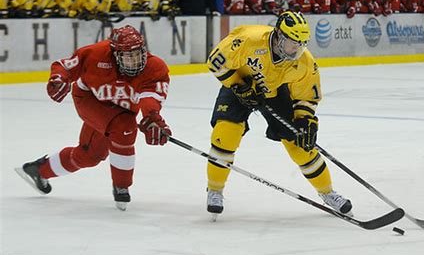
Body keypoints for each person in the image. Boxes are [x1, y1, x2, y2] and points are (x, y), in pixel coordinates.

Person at [205, 11, 352, 219]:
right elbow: (215, 61)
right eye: (293, 43)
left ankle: (328, 193)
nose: (298, 49)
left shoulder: (304, 61)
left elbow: (307, 96)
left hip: (275, 92)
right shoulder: (249, 39)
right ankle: (215, 189)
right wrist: (239, 86)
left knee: (300, 146)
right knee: (225, 134)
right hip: (240, 83)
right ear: (279, 37)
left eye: (302, 44)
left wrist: (305, 121)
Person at [15, 25, 172, 211]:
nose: (134, 61)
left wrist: (152, 119)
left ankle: (39, 170)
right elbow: (64, 66)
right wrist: (59, 79)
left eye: (138, 54)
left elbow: (149, 100)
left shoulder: (155, 68)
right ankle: (122, 185)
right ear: (114, 54)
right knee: (125, 127)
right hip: (90, 99)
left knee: (90, 155)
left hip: (122, 109)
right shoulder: (95, 54)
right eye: (128, 57)